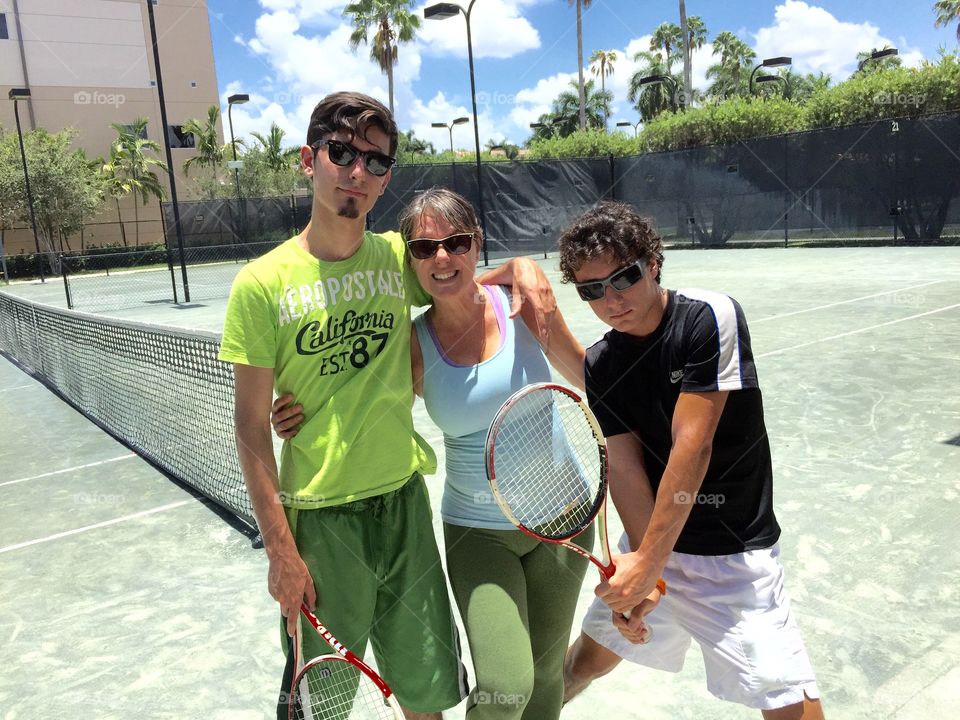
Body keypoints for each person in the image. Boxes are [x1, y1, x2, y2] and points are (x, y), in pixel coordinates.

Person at [218, 92, 555, 720]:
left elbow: (453, 273)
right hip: (318, 521)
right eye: (341, 153)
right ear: (308, 160)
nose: (356, 171)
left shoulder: (398, 260)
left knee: (425, 698)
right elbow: (249, 429)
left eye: (374, 161)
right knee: (320, 707)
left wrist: (522, 266)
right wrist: (281, 554)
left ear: (386, 179)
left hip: (404, 508)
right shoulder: (260, 285)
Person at [274, 187, 591, 720]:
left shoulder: (525, 308)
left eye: (455, 242)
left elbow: (591, 378)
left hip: (566, 521)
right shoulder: (411, 343)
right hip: (479, 531)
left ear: (476, 243)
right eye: (424, 249)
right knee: (505, 684)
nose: (442, 257)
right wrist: (294, 409)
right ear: (411, 261)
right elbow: (353, 390)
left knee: (544, 675)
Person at [556, 201, 825, 719]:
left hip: (733, 558)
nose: (611, 300)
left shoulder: (708, 316)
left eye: (623, 278)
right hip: (657, 546)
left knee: (785, 703)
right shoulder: (601, 363)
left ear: (652, 262)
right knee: (584, 663)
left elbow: (692, 446)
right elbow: (628, 468)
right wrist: (649, 576)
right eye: (591, 290)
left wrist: (648, 564)